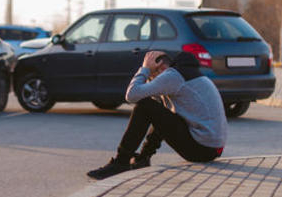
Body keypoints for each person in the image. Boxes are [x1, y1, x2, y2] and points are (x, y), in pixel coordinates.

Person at [87, 50, 228, 180]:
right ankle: (142, 159)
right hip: (212, 148)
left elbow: (132, 95)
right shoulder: (190, 75)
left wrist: (144, 69)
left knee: (144, 105)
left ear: (161, 67)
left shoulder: (173, 76)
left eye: (152, 76)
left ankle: (121, 162)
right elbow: (161, 114)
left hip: (201, 149)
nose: (152, 80)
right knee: (158, 107)